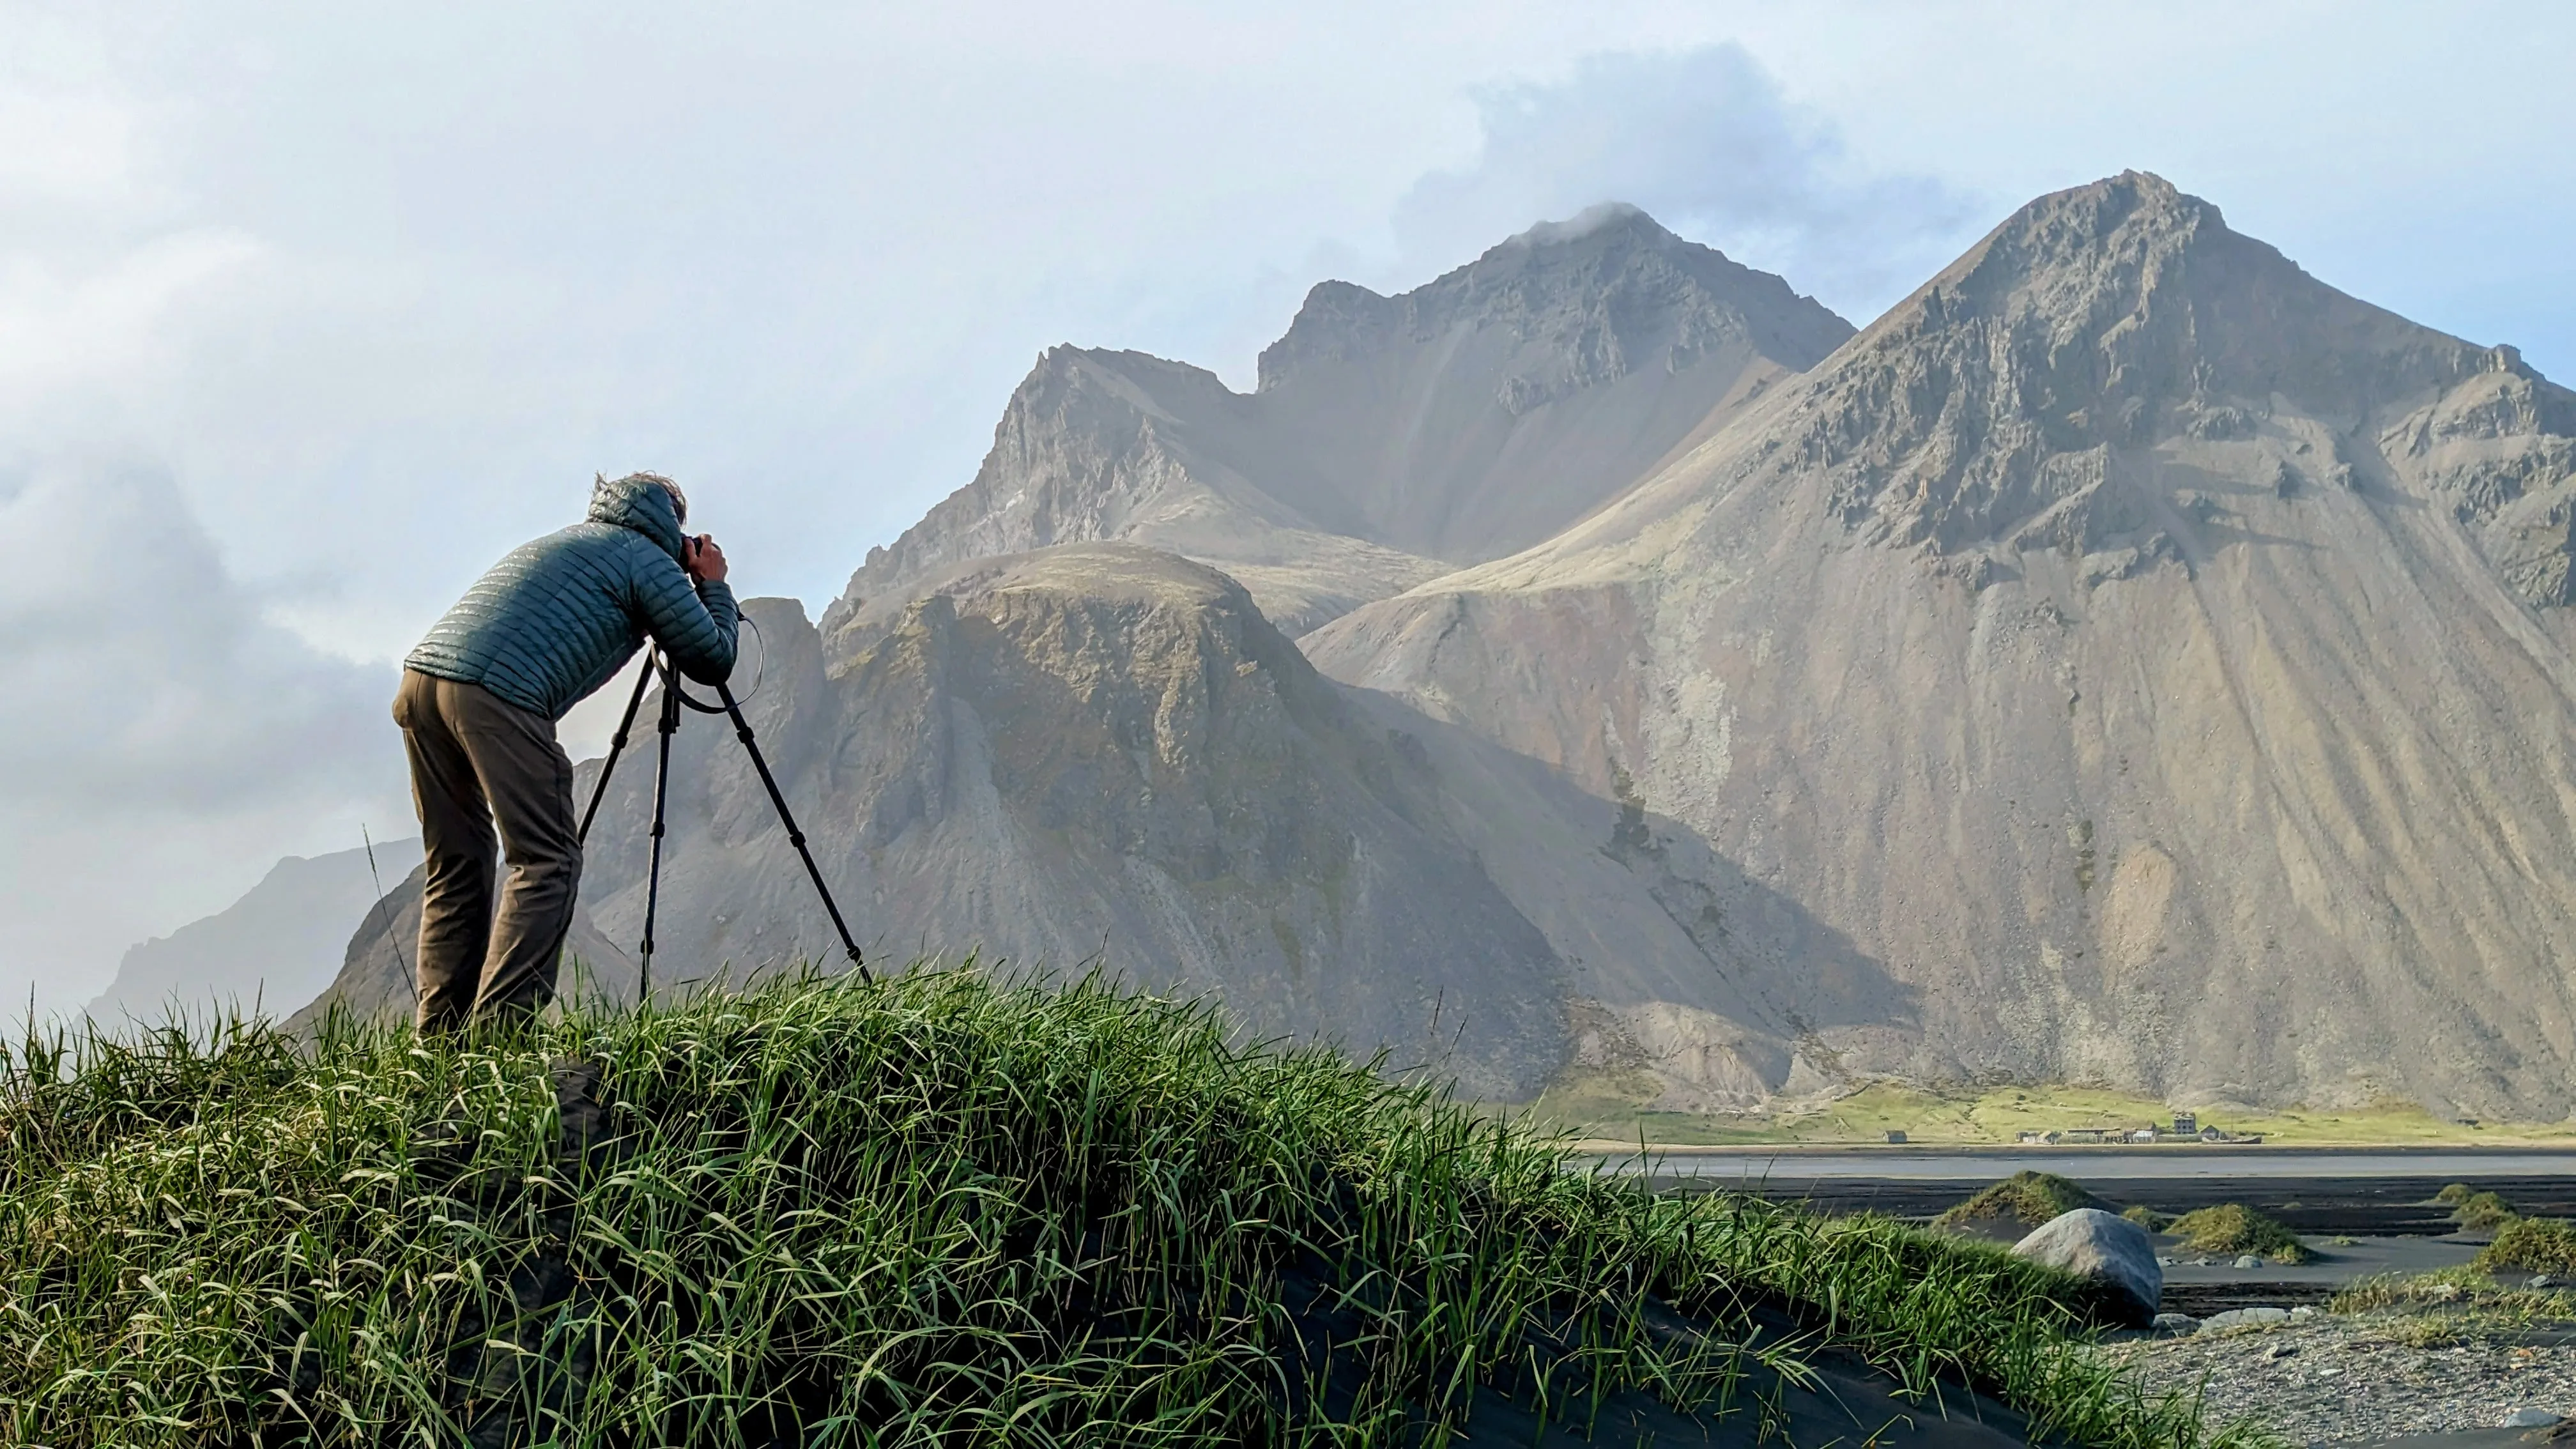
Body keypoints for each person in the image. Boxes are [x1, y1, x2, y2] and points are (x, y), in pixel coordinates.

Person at [395, 471, 737, 1033]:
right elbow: (710, 657)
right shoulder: (645, 558)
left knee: (457, 865)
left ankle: (438, 1048)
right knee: (548, 860)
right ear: (670, 524)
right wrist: (713, 584)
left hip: (421, 684)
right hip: (496, 695)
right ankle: (496, 1044)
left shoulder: (568, 542)